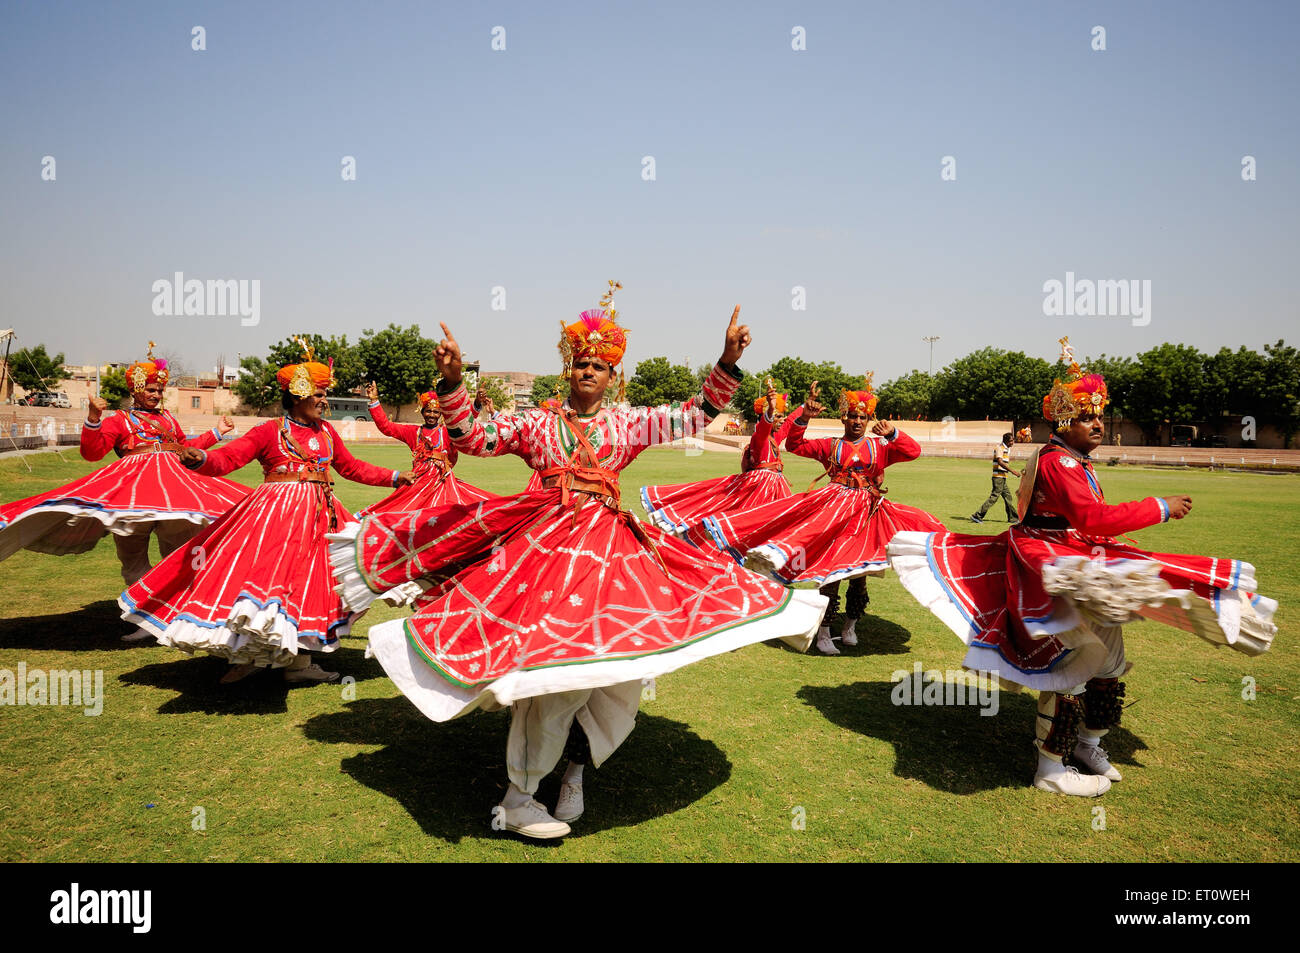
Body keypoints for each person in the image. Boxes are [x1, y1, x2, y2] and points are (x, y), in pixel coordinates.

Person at [329, 286, 825, 839]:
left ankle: (574, 771)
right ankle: (518, 798)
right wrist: (451, 384)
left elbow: (691, 418)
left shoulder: (628, 424)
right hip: (543, 560)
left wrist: (728, 362)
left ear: (613, 376)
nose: (588, 370)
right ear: (567, 370)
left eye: (599, 365)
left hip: (612, 562)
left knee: (621, 674)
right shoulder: (537, 424)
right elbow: (474, 439)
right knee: (555, 674)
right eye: (580, 362)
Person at [888, 340, 1277, 797]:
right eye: (1089, 417)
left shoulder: (1073, 460)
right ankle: (1050, 769)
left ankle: (1089, 744)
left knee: (1108, 660)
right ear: (1065, 421)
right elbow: (1092, 518)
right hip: (1051, 567)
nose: (1098, 423)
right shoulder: (1059, 462)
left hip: (1076, 558)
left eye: (1100, 415)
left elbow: (1088, 524)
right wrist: (1161, 507)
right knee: (1071, 662)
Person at [119, 339, 414, 683]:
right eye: (318, 394)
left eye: (324, 394)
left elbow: (351, 468)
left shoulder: (327, 432)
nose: (323, 401)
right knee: (270, 586)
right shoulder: (269, 431)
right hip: (277, 519)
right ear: (298, 395)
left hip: (322, 517)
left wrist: (394, 477)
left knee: (320, 584)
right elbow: (230, 458)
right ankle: (249, 654)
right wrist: (202, 458)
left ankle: (298, 663)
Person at [0, 344, 247, 637]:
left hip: (175, 492)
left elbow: (186, 451)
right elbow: (92, 453)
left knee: (178, 551)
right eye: (150, 390)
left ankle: (176, 612)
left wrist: (216, 432)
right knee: (132, 555)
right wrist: (93, 418)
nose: (156, 395)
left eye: (159, 390)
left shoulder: (168, 419)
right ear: (136, 391)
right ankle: (145, 615)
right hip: (133, 493)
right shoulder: (121, 420)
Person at [695, 376, 943, 655]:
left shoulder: (881, 447)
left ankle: (850, 626)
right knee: (832, 572)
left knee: (860, 572)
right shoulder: (830, 445)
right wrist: (804, 418)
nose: (857, 422)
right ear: (843, 418)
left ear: (868, 418)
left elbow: (914, 451)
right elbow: (796, 445)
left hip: (868, 514)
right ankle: (824, 631)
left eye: (862, 417)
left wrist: (893, 432)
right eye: (852, 416)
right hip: (835, 511)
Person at [641, 380, 794, 535]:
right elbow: (763, 428)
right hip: (761, 491)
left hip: (775, 490)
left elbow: (789, 425)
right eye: (779, 416)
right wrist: (771, 409)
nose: (783, 420)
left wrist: (805, 410)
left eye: (783, 416)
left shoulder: (773, 439)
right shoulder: (759, 438)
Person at [970, 431, 1021, 524]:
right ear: (1005, 441)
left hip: (1002, 477)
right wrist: (1012, 471)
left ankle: (1013, 518)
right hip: (998, 478)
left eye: (1013, 440)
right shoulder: (999, 448)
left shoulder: (1006, 449)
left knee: (1008, 497)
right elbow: (1000, 462)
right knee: (994, 497)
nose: (1012, 443)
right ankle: (977, 515)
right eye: (1011, 441)